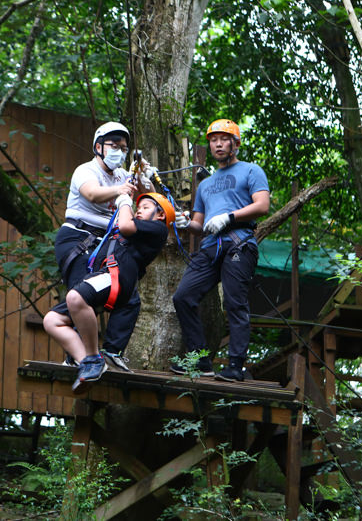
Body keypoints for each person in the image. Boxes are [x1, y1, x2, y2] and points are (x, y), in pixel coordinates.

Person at [44, 192, 175, 393]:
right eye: (138, 208)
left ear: (160, 215)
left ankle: (93, 359)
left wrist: (124, 201)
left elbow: (126, 225)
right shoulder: (137, 229)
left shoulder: (158, 229)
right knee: (52, 321)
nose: (139, 211)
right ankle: (86, 362)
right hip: (105, 277)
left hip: (118, 277)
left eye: (145, 207)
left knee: (75, 297)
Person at [170, 119, 270, 382]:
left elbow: (262, 205)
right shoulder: (205, 185)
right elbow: (199, 225)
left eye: (224, 139)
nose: (218, 144)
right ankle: (201, 360)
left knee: (235, 303)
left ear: (235, 144)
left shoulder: (251, 170)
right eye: (214, 140)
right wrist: (185, 223)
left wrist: (229, 216)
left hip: (239, 242)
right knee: (183, 296)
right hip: (210, 246)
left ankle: (235, 366)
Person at [52, 121, 154, 372]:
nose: (119, 151)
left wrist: (146, 177)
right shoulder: (85, 170)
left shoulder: (122, 174)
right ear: (99, 147)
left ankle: (111, 352)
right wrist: (121, 191)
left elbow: (148, 198)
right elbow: (92, 194)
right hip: (78, 237)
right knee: (83, 290)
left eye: (123, 148)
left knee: (127, 291)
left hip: (107, 242)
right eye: (113, 146)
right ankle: (78, 356)